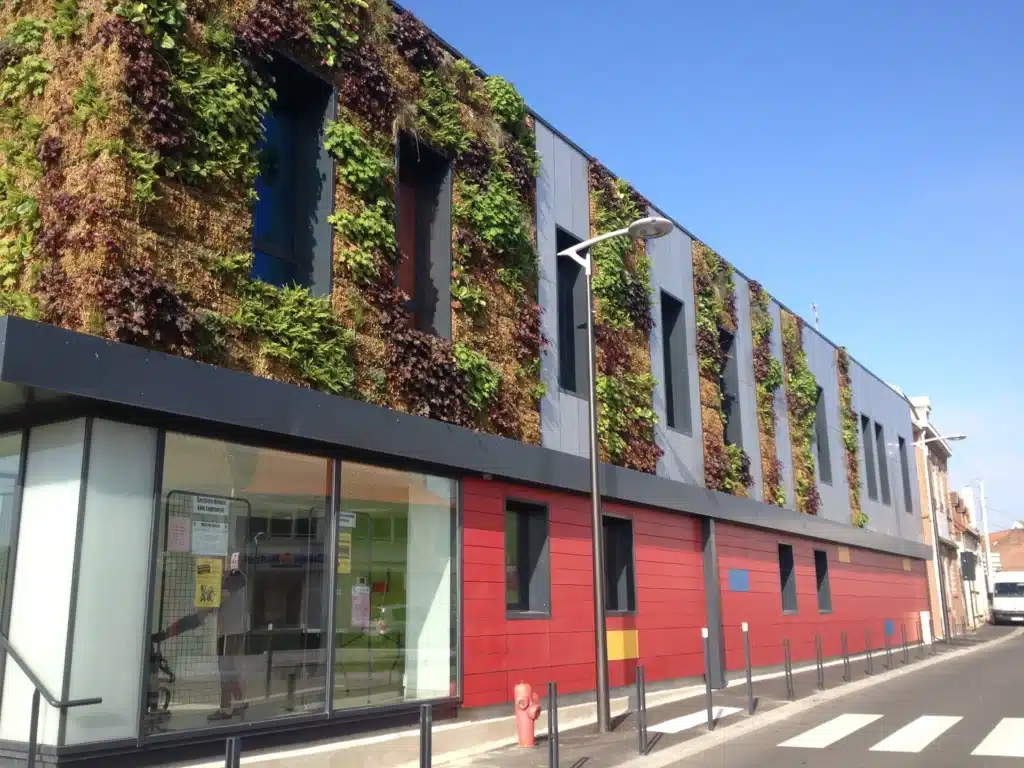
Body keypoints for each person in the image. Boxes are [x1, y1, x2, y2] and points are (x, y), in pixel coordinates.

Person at [152, 568, 249, 722]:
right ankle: (240, 702)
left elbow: (217, 600)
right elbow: (200, 615)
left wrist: (204, 607)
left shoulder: (236, 576)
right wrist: (165, 634)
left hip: (231, 633)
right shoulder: (227, 582)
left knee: (225, 670)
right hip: (230, 632)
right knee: (228, 668)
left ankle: (225, 710)